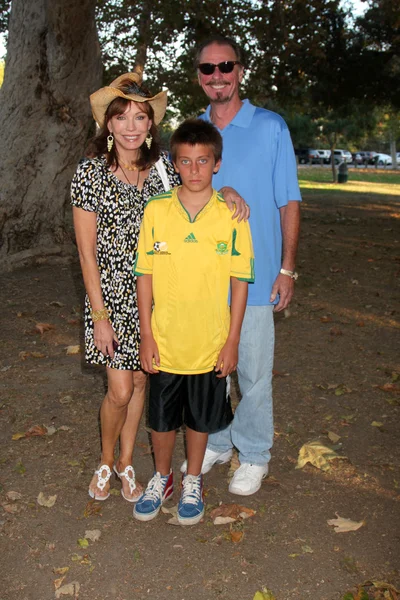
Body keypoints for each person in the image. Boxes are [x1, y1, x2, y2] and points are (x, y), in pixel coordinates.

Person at [183, 35, 302, 496]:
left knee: (252, 371)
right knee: (212, 369)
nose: (217, 76)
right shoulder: (193, 130)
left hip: (255, 278)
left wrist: (287, 268)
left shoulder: (270, 126)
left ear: (240, 71)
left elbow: (288, 200)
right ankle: (217, 439)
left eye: (225, 67)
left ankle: (253, 453)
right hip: (202, 281)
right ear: (199, 77)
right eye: (208, 69)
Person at [132, 119, 254, 525]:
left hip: (210, 342)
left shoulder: (232, 215)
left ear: (217, 164)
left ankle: (193, 479)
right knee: (163, 420)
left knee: (200, 419)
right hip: (165, 341)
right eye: (186, 161)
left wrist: (232, 340)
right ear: (174, 163)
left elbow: (240, 281)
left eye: (203, 161)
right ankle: (162, 478)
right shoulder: (156, 211)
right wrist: (146, 334)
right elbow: (144, 275)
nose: (195, 169)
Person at [70, 70, 181, 502]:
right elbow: (85, 253)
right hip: (110, 296)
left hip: (154, 294)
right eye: (123, 118)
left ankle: (127, 463)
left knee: (139, 385)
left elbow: (198, 194)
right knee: (118, 389)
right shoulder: (90, 173)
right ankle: (104, 459)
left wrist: (226, 190)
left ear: (151, 124)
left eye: (141, 117)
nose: (132, 127)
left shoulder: (164, 170)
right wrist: (99, 316)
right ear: (108, 124)